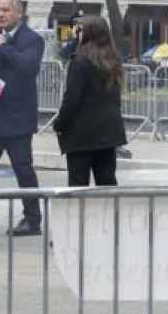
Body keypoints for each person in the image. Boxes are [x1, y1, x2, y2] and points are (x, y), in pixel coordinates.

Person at [0, 0, 45, 237]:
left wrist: (2, 45)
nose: (1, 15)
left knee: (23, 169)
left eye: (6, 10)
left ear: (19, 13)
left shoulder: (32, 39)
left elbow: (27, 67)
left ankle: (32, 219)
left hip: (17, 117)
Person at [54, 15, 127, 187]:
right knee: (107, 182)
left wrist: (59, 124)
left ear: (86, 34)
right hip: (108, 132)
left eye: (79, 31)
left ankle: (80, 215)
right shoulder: (113, 60)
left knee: (78, 186)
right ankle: (109, 215)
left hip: (82, 134)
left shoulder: (80, 62)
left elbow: (71, 99)